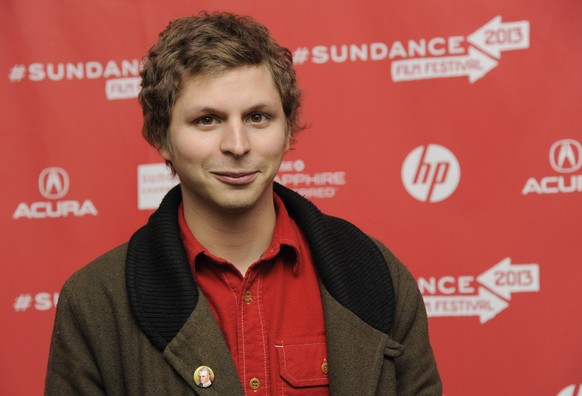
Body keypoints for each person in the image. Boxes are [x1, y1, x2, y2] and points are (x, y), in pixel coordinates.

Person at [45, 11, 441, 395]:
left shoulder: (374, 274)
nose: (237, 145)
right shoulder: (95, 301)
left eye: (257, 117)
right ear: (161, 137)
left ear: (288, 131)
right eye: (207, 120)